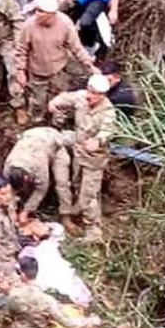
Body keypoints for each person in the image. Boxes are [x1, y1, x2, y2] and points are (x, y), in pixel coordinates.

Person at [48, 73, 116, 241]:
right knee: (78, 185)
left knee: (88, 195)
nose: (89, 96)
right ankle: (78, 213)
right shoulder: (81, 98)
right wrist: (55, 103)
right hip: (78, 153)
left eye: (94, 93)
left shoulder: (107, 112)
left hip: (94, 160)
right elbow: (66, 98)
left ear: (102, 95)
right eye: (89, 90)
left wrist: (98, 140)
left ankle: (93, 230)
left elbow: (108, 130)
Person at [14, 0, 98, 124]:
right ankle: (36, 121)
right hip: (38, 70)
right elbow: (21, 49)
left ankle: (56, 122)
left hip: (59, 68)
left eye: (41, 12)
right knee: (38, 101)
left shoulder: (65, 24)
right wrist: (20, 70)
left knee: (59, 97)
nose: (37, 14)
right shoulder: (29, 25)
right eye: (36, 11)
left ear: (51, 14)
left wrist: (89, 65)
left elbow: (76, 47)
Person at [4, 127, 78, 233]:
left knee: (62, 183)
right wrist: (12, 212)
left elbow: (41, 189)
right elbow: (9, 190)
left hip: (53, 145)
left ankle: (66, 217)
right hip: (30, 139)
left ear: (26, 177)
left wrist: (26, 211)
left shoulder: (38, 164)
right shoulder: (8, 166)